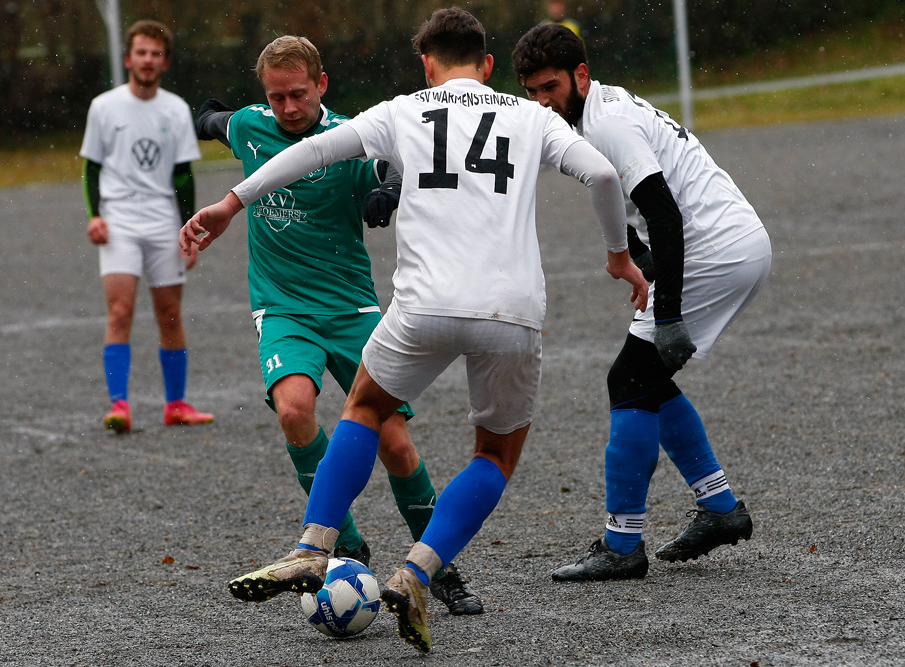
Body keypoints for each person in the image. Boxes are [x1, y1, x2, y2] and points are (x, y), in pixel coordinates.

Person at [182, 8, 648, 653]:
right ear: (488, 66)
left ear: (426, 65)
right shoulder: (530, 115)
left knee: (364, 409)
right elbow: (601, 173)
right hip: (510, 313)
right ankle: (416, 574)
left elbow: (313, 150)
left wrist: (231, 203)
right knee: (492, 456)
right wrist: (618, 254)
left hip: (423, 306)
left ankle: (314, 546)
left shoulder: (402, 109)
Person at [193, 35, 482, 615]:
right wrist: (199, 116)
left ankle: (439, 565)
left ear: (321, 86)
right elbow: (214, 119)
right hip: (282, 308)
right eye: (276, 97)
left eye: (297, 95)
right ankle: (342, 542)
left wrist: (388, 191)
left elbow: (393, 164)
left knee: (395, 444)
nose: (287, 108)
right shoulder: (251, 126)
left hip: (352, 309)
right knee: (295, 408)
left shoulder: (352, 136)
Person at [511, 24, 772, 581]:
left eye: (549, 87)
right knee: (646, 380)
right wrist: (638, 257)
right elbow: (619, 202)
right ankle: (721, 509)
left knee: (629, 380)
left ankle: (622, 544)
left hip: (716, 250)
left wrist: (670, 313)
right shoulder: (586, 115)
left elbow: (664, 214)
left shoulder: (607, 125)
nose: (541, 102)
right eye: (531, 91)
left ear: (581, 75)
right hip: (731, 243)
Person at [80, 19, 214, 434]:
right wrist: (95, 216)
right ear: (128, 58)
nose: (147, 60)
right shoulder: (104, 106)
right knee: (120, 310)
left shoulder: (175, 109)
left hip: (162, 221)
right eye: (141, 52)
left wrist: (187, 230)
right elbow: (91, 169)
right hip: (119, 219)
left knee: (169, 314)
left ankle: (176, 405)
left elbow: (182, 176)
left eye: (156, 53)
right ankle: (119, 404)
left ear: (165, 62)